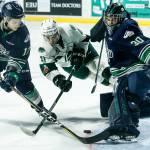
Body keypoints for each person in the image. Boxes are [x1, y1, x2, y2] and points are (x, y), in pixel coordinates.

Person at [90, 2, 150, 141]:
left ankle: (124, 126)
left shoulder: (127, 27)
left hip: (136, 71)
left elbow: (141, 43)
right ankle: (128, 120)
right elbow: (93, 35)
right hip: (125, 71)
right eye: (108, 18)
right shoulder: (109, 25)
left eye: (114, 18)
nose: (111, 21)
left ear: (121, 18)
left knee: (123, 94)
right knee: (109, 105)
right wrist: (102, 23)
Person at [0, 1, 54, 118]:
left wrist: (12, 75)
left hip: (14, 56)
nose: (18, 24)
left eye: (20, 21)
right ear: (5, 19)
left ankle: (41, 108)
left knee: (23, 84)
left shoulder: (22, 33)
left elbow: (20, 57)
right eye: (15, 21)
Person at [38, 18, 107, 93]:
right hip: (67, 64)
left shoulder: (68, 29)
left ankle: (117, 81)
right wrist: (59, 80)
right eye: (48, 38)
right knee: (86, 75)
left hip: (83, 50)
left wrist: (80, 53)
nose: (51, 40)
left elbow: (83, 39)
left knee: (98, 67)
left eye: (54, 36)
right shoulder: (43, 48)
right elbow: (48, 68)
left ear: (57, 31)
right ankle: (112, 86)